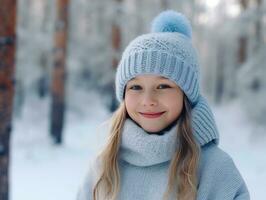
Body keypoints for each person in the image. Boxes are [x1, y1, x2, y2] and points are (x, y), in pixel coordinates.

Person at [77, 10, 250, 200]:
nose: (148, 100)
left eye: (163, 85)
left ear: (186, 95)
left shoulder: (214, 168)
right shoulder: (105, 166)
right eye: (135, 86)